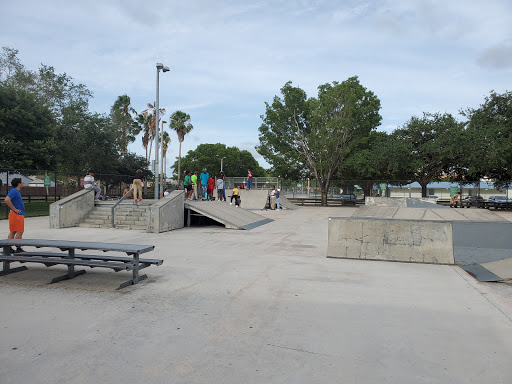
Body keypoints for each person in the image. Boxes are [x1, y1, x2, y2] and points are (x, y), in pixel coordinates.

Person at [4, 178, 26, 253]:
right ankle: (18, 248)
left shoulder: (15, 191)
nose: (23, 183)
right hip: (17, 215)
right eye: (22, 182)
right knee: (19, 231)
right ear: (18, 184)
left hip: (15, 214)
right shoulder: (14, 191)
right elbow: (7, 200)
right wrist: (15, 209)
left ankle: (9, 248)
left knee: (13, 231)